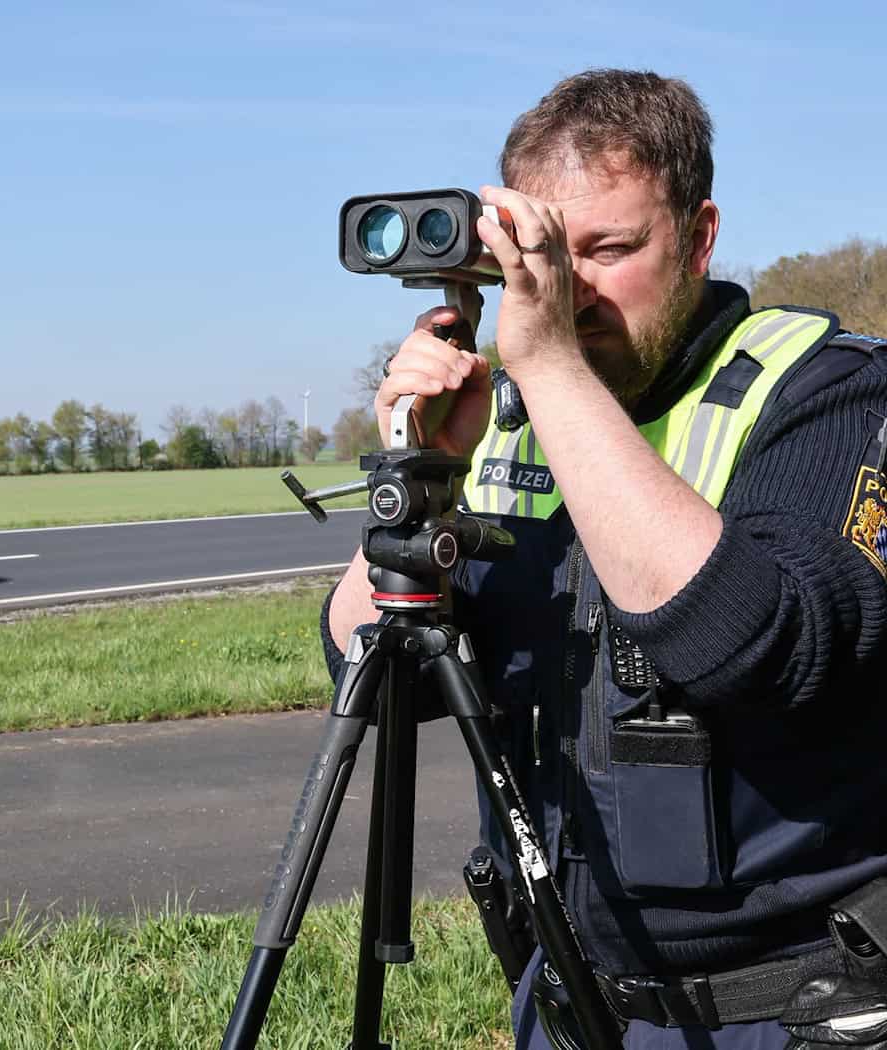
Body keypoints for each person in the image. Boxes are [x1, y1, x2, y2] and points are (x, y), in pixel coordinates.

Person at [322, 69, 887, 1049]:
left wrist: (544, 365)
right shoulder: (501, 424)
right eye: (542, 256)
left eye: (610, 249)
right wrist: (423, 471)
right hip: (571, 1001)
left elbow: (753, 643)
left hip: (794, 1009)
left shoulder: (824, 392)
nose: (566, 292)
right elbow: (373, 681)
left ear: (698, 235)